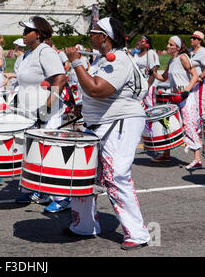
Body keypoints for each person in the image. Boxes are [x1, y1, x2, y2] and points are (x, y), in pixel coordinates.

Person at [64, 17, 151, 250]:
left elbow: (97, 89)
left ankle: (138, 233)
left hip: (120, 123)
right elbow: (95, 92)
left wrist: (76, 63)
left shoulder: (119, 60)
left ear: (104, 37)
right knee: (84, 175)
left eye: (93, 32)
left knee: (117, 175)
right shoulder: (104, 60)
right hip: (102, 123)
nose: (89, 35)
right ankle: (83, 225)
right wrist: (84, 107)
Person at [13, 16, 70, 213]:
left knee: (49, 154)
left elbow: (60, 79)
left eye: (27, 30)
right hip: (31, 112)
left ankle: (63, 198)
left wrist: (46, 107)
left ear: (37, 34)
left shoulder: (45, 52)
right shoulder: (29, 54)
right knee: (34, 153)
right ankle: (41, 191)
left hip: (47, 113)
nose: (23, 34)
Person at [151, 36, 202, 170]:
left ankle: (197, 159)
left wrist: (187, 89)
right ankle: (166, 154)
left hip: (185, 97)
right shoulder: (171, 60)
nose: (167, 46)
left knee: (189, 125)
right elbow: (163, 78)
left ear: (177, 48)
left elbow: (195, 76)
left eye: (170, 44)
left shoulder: (183, 57)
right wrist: (153, 73)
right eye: (168, 43)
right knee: (167, 124)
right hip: (173, 97)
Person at [189, 31, 205, 117]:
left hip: (200, 83)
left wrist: (200, 77)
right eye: (191, 37)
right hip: (192, 83)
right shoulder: (190, 51)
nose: (192, 39)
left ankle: (201, 129)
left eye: (194, 38)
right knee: (192, 106)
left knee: (200, 107)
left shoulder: (203, 51)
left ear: (200, 41)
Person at [134, 35, 160, 108]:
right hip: (140, 84)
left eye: (142, 41)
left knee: (149, 104)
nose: (139, 42)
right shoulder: (136, 55)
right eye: (139, 40)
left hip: (149, 83)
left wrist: (148, 85)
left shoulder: (150, 53)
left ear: (147, 44)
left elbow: (154, 70)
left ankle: (153, 119)